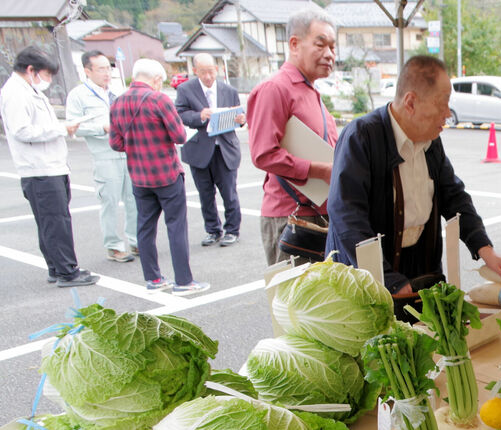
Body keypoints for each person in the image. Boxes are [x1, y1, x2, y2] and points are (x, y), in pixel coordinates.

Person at [326, 55, 501, 295]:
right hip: (370, 281)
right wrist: (387, 279)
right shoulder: (362, 136)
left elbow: (454, 196)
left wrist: (486, 250)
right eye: (443, 102)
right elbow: (347, 215)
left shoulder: (430, 140)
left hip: (419, 270)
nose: (448, 113)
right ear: (410, 102)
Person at [247, 5, 338, 265]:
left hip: (318, 214)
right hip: (291, 216)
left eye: (333, 47)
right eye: (320, 45)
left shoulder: (310, 89)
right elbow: (263, 154)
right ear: (294, 44)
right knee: (294, 302)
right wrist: (320, 170)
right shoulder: (275, 88)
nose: (329, 54)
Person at [0, 46, 98, 287]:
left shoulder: (28, 90)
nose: (48, 80)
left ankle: (58, 267)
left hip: (49, 166)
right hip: (40, 169)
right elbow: (22, 130)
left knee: (52, 221)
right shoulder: (15, 93)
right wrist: (61, 129)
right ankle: (66, 271)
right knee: (55, 221)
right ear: (31, 70)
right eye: (46, 74)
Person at [109, 58, 209, 295]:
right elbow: (179, 136)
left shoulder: (118, 103)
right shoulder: (159, 99)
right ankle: (183, 281)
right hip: (166, 174)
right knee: (175, 226)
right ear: (155, 79)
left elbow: (115, 143)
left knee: (144, 226)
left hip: (139, 176)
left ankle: (153, 279)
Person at [66, 50, 138, 263]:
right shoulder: (78, 95)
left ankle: (135, 241)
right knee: (109, 201)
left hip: (128, 152)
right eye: (101, 69)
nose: (106, 73)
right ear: (87, 71)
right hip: (104, 155)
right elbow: (74, 127)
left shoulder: (118, 91)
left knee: (134, 199)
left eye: (108, 68)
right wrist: (102, 128)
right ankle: (114, 245)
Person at [176, 53, 245, 248]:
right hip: (199, 149)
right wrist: (199, 116)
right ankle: (213, 230)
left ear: (217, 69)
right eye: (203, 72)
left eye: (211, 71)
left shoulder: (228, 90)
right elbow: (179, 114)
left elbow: (239, 115)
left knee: (229, 192)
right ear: (195, 71)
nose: (208, 76)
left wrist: (241, 119)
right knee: (205, 193)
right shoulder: (185, 89)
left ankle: (232, 230)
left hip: (225, 148)